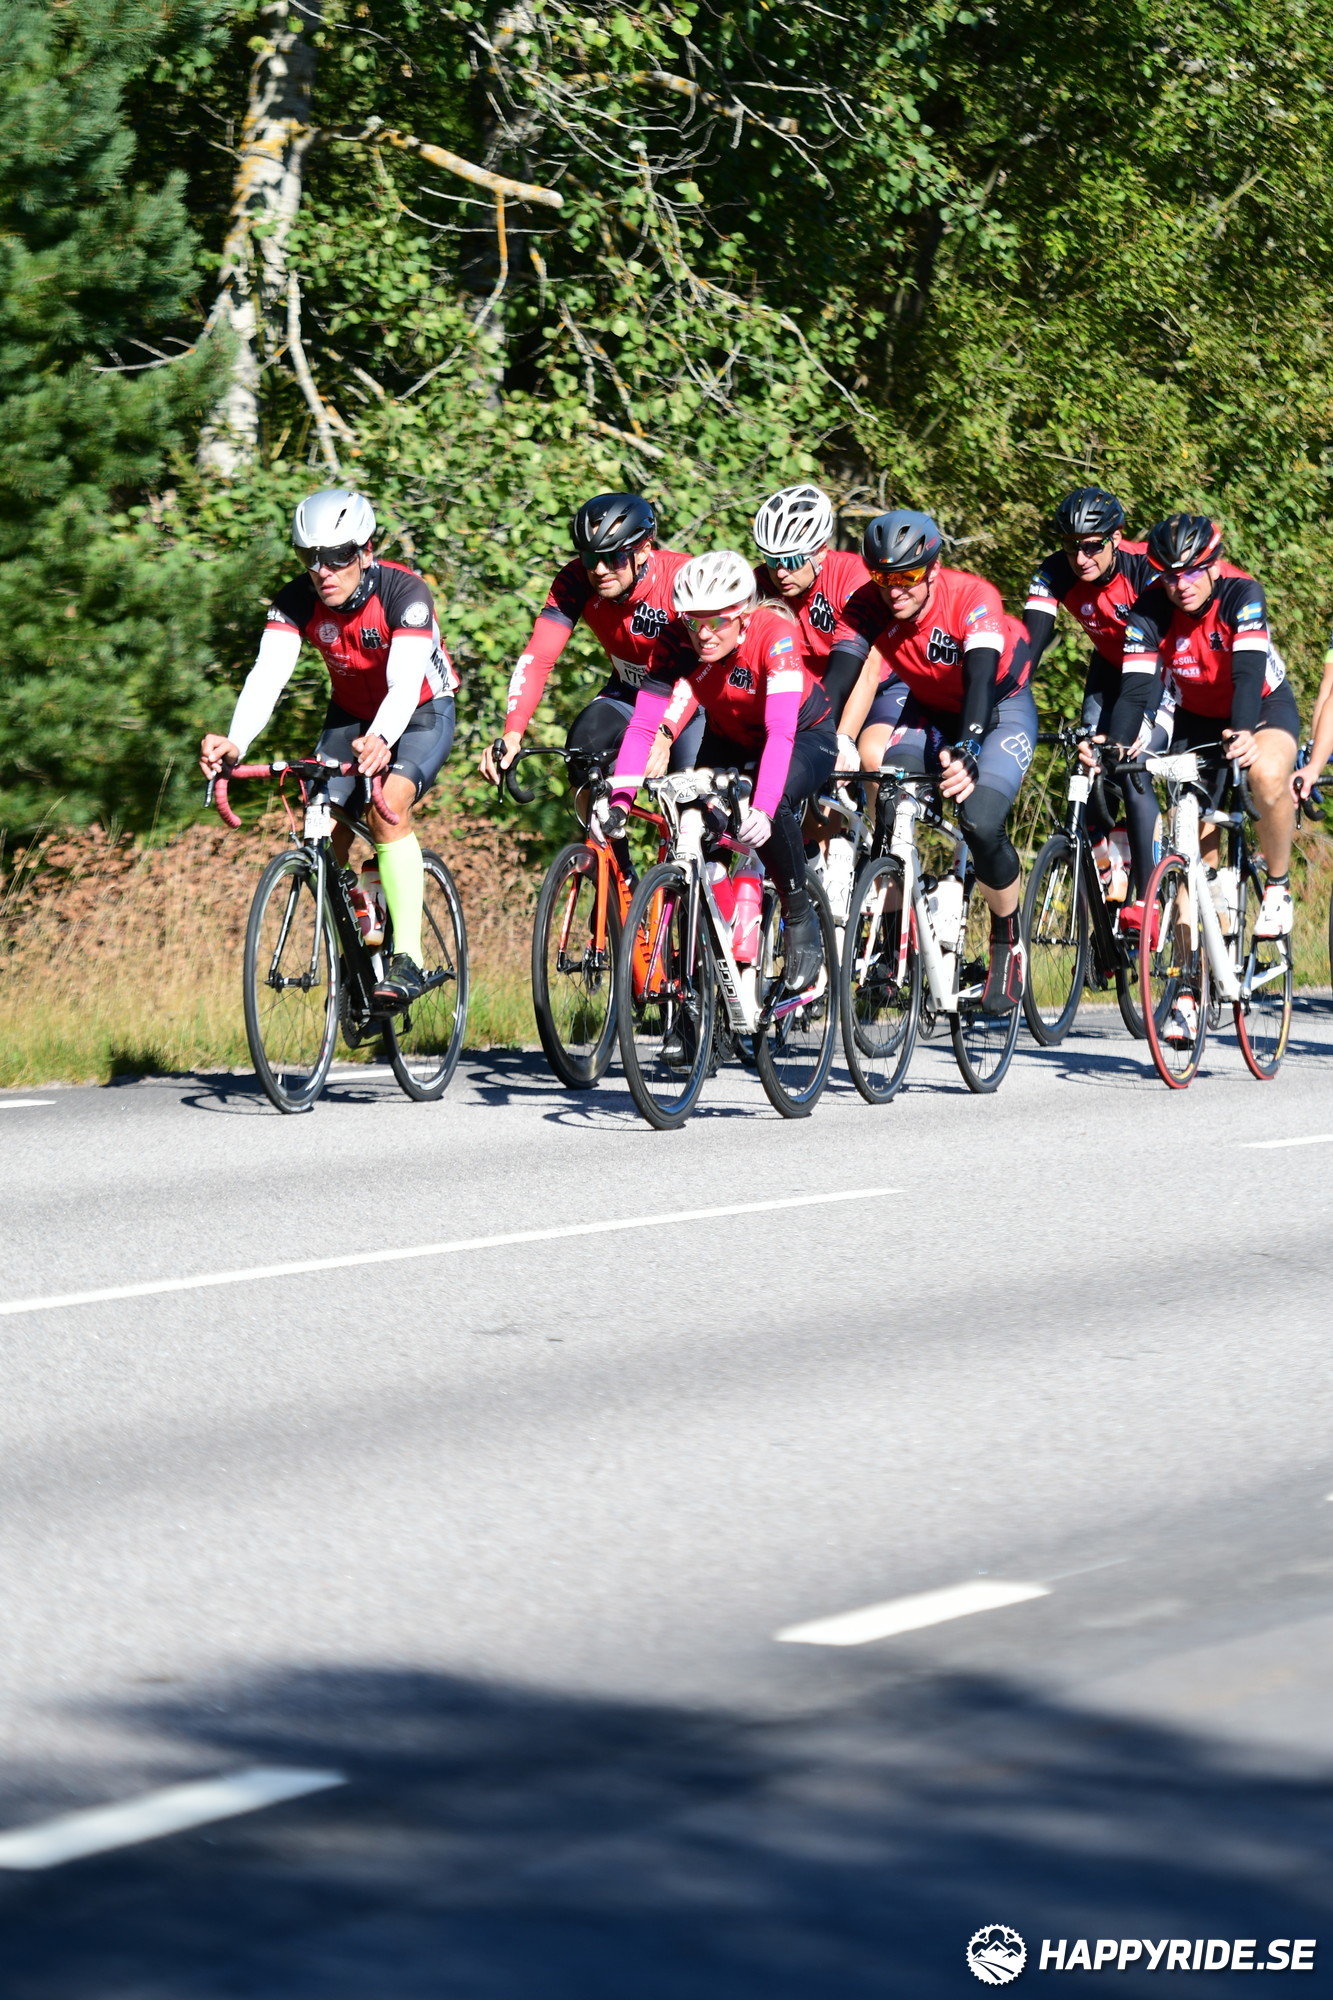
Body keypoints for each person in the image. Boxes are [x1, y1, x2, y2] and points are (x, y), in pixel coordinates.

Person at [199, 488, 456, 1009]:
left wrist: (382, 739)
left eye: (337, 556)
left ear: (365, 551)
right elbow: (267, 676)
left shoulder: (405, 593)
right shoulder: (296, 600)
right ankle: (357, 950)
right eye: (308, 557)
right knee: (321, 824)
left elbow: (404, 685)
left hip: (421, 711)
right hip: (350, 715)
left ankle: (408, 958)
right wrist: (236, 739)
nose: (323, 571)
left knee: (387, 810)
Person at [825, 509, 1036, 1011]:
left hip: (997, 709)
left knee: (980, 821)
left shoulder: (973, 597)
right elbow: (839, 678)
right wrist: (824, 737)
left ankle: (1007, 938)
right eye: (883, 578)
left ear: (934, 568)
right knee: (889, 795)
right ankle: (893, 940)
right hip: (927, 708)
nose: (894, 590)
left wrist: (970, 747)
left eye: (908, 577)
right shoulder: (868, 603)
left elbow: (980, 680)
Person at [602, 549, 837, 990]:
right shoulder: (678, 640)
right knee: (695, 833)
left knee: (771, 805)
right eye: (694, 622)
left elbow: (780, 732)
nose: (704, 635)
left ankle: (799, 914)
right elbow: (643, 725)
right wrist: (621, 799)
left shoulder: (775, 636)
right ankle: (707, 982)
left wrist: (763, 807)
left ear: (744, 616)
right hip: (729, 735)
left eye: (717, 622)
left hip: (804, 734)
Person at [1106, 514, 1298, 952]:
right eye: (1170, 575)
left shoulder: (1241, 593)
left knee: (1265, 774)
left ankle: (1278, 885)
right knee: (1187, 839)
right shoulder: (1150, 609)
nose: (1181, 585)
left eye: (1192, 571)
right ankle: (1191, 976)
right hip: (1196, 717)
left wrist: (1244, 732)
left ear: (1214, 564)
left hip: (1261, 705)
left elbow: (1247, 676)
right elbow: (1134, 691)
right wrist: (1115, 745)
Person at [479, 491, 703, 790]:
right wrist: (513, 733)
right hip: (629, 692)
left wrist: (664, 733)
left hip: (695, 698)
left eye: (614, 557)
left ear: (643, 551)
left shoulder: (683, 580)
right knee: (583, 756)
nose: (599, 570)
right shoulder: (575, 580)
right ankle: (597, 823)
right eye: (590, 558)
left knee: (693, 799)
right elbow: (538, 657)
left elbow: (702, 665)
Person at [1024, 486, 1165, 901]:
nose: (1081, 558)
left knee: (1130, 764)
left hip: (1157, 670)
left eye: (1092, 546)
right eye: (1071, 546)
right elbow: (1029, 649)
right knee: (1087, 764)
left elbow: (1160, 655)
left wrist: (1143, 719)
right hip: (1109, 668)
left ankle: (1146, 899)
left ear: (1116, 538)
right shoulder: (1055, 571)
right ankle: (1107, 875)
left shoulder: (1145, 569)